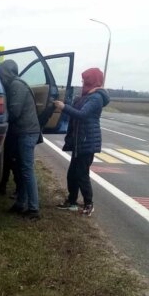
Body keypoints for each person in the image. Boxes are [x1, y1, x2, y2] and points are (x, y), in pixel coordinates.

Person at [54, 68, 110, 217]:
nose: (82, 82)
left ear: (91, 81)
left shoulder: (96, 98)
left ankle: (88, 204)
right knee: (72, 174)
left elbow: (82, 115)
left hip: (87, 142)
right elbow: (76, 108)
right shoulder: (87, 96)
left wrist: (64, 107)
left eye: (85, 80)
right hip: (80, 142)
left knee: (82, 174)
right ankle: (71, 202)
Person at [0, 60, 41, 219]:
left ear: (6, 72)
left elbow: (14, 112)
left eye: (0, 73)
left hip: (26, 133)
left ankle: (34, 209)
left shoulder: (16, 86)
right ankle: (21, 204)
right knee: (23, 170)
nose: (0, 77)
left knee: (27, 170)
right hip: (24, 132)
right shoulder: (17, 84)